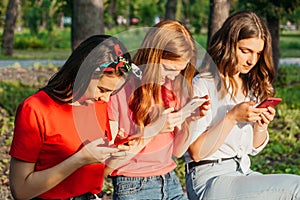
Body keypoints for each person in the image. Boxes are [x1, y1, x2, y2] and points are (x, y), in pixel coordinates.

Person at [185, 10, 300, 200]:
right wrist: (231, 117)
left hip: (243, 171)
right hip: (210, 179)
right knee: (296, 187)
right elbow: (196, 153)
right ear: (228, 44)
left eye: (257, 53)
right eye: (245, 51)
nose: (252, 60)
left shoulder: (250, 87)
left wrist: (261, 127)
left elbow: (252, 147)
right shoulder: (203, 85)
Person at [8, 35, 137, 200]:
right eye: (103, 89)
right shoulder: (35, 109)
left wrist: (117, 152)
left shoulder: (98, 104)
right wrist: (80, 159)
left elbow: (95, 175)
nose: (106, 98)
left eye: (112, 92)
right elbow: (21, 191)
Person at [105, 20, 210, 200]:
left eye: (179, 71)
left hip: (169, 181)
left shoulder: (171, 88)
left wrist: (190, 120)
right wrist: (155, 128)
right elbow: (109, 165)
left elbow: (177, 152)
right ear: (151, 56)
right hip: (132, 185)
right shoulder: (120, 89)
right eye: (168, 68)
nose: (172, 76)